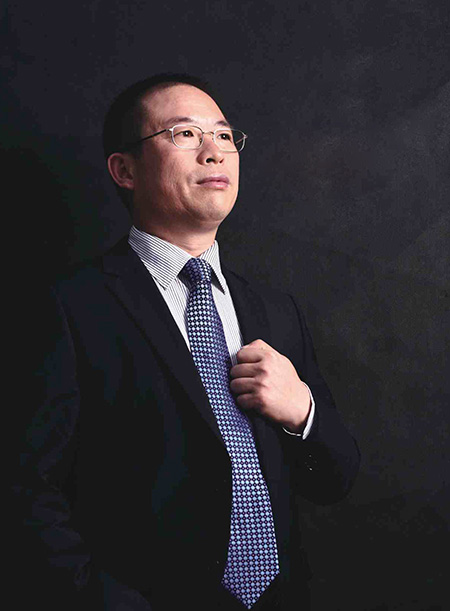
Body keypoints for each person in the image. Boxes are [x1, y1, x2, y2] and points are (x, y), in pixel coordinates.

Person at [13, 74, 360, 610]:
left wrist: (302, 413)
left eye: (223, 135)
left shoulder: (275, 311)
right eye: (184, 134)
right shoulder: (67, 307)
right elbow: (26, 494)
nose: (213, 152)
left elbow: (334, 481)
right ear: (124, 170)